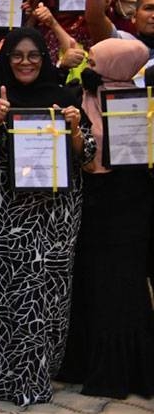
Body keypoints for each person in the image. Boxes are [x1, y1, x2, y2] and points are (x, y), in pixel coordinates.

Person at [0, 27, 92, 405]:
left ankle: (35, 380)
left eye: (33, 56)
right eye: (17, 56)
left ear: (44, 60)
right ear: (6, 60)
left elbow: (86, 155)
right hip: (4, 216)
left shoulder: (65, 98)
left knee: (45, 303)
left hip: (53, 220)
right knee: (2, 300)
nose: (25, 63)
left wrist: (75, 129)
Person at [58, 38, 154, 399]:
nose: (90, 67)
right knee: (92, 284)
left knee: (123, 287)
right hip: (92, 204)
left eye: (97, 61)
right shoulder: (76, 97)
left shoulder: (141, 103)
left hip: (130, 204)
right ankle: (83, 363)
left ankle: (121, 371)